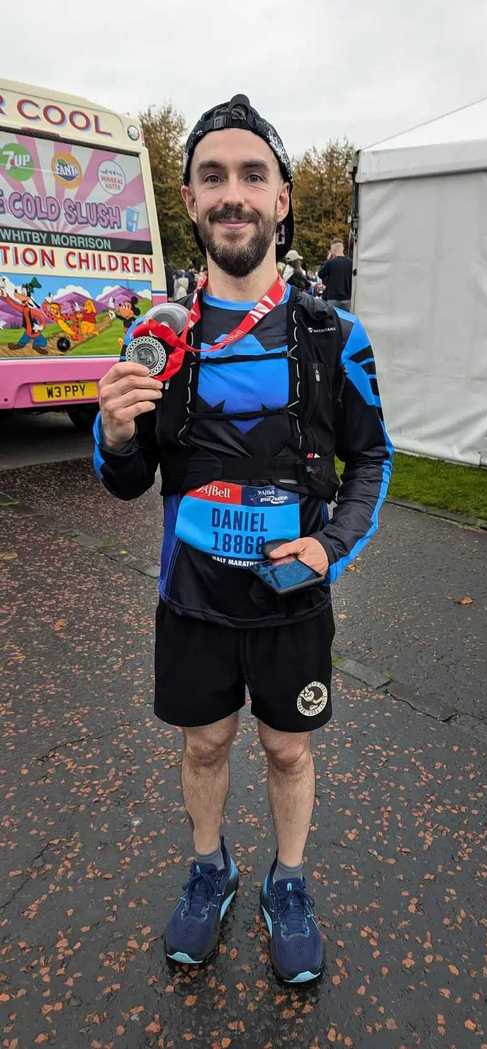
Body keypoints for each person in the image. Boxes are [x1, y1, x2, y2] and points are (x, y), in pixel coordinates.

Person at [93, 94, 392, 985]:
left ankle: (288, 882)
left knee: (288, 746)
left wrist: (330, 547)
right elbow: (128, 476)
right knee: (204, 744)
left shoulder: (334, 333)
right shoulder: (157, 336)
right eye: (214, 177)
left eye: (252, 175)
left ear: (284, 198)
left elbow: (372, 460)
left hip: (289, 598)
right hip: (191, 597)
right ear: (188, 201)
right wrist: (110, 437)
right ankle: (210, 865)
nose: (234, 194)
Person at [318, 239, 353, 310]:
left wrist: (327, 259)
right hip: (347, 298)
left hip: (332, 298)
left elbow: (320, 274)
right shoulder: (351, 263)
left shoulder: (330, 263)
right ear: (342, 248)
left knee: (332, 320)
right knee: (345, 320)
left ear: (332, 250)